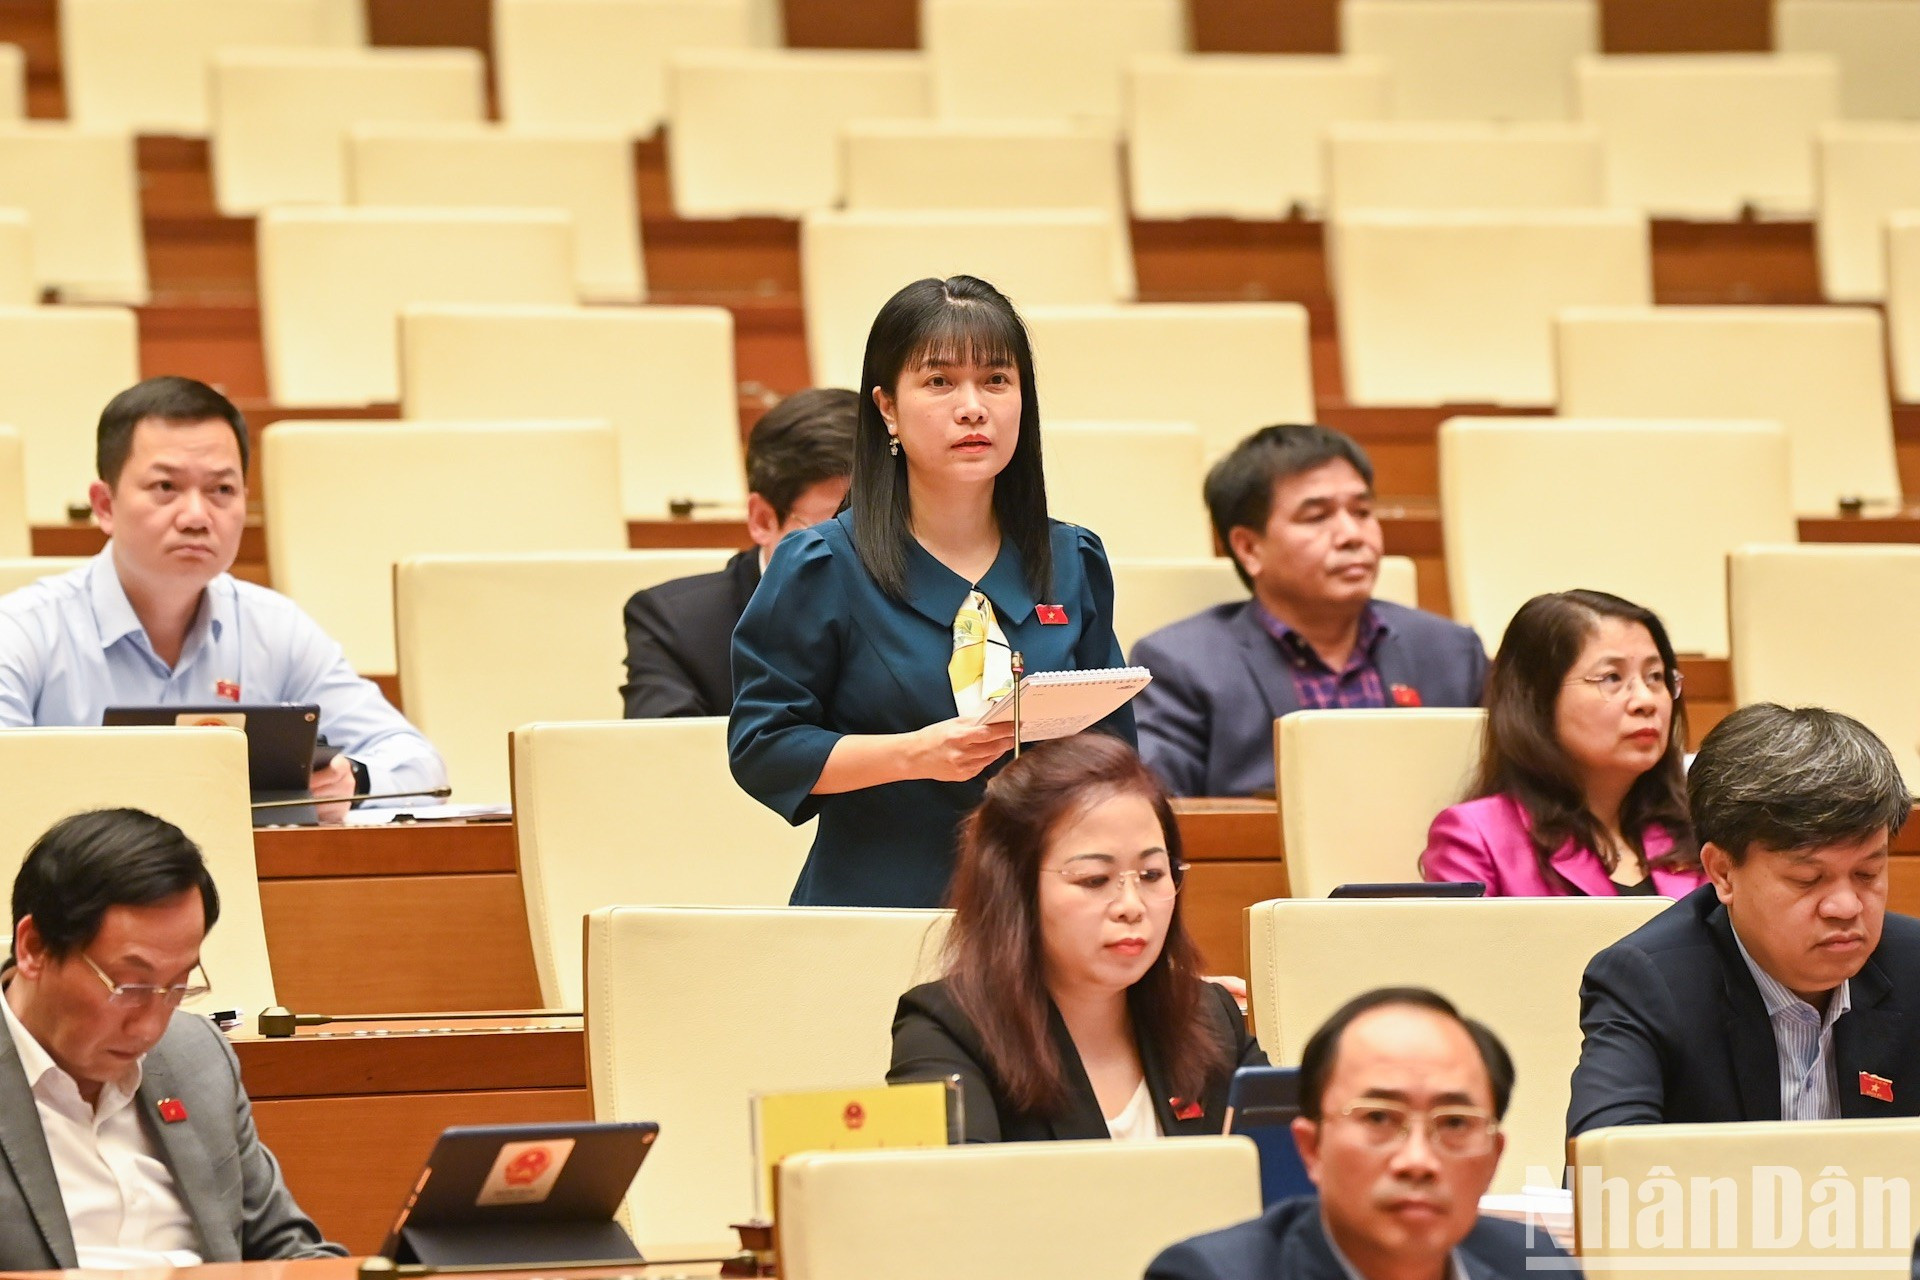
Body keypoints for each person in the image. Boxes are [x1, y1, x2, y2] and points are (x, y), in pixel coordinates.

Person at [730, 276, 1133, 908]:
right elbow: (764, 747)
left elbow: (1115, 759)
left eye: (996, 381)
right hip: (876, 909)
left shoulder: (1071, 559)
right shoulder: (821, 564)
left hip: (1043, 914)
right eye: (939, 382)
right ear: (887, 407)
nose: (973, 407)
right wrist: (916, 753)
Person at [0, 377, 445, 821]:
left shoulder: (274, 629)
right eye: (165, 487)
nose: (196, 516)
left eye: (221, 491)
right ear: (104, 505)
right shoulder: (23, 631)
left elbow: (422, 768)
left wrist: (355, 781)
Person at [0, 808, 344, 1266]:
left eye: (178, 987)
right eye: (129, 987)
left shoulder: (194, 1056)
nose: (150, 1027)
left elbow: (286, 1249)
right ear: (34, 948)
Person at [1567, 703, 1920, 1138]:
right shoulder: (1649, 984)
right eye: (1808, 879)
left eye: (1867, 873)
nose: (1846, 906)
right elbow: (1607, 1168)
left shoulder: (1914, 968)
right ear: (1723, 872)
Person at [887, 734, 1262, 1141]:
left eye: (1152, 874)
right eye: (1094, 879)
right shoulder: (946, 1032)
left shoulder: (1210, 1017)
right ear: (1016, 888)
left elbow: (1296, 1175)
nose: (1131, 905)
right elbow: (955, 1200)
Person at [1131, 424, 1486, 798]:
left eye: (1362, 511)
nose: (1352, 534)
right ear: (1249, 549)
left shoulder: (1452, 652)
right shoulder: (1183, 665)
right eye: (1317, 517)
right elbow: (1162, 815)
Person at [1147, 988, 1571, 1280]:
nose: (1417, 1161)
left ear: (1494, 1157)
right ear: (1311, 1148)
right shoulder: (1211, 1274)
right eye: (1379, 1119)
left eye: (1455, 1123)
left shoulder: (1535, 1266)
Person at [1421, 591, 1707, 898]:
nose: (1646, 701)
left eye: (1655, 676)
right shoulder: (1476, 838)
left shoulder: (1702, 827)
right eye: (1611, 677)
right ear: (1538, 700)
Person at [620, 388, 855, 718]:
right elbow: (666, 761)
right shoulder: (677, 627)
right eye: (840, 532)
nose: (870, 552)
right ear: (762, 520)